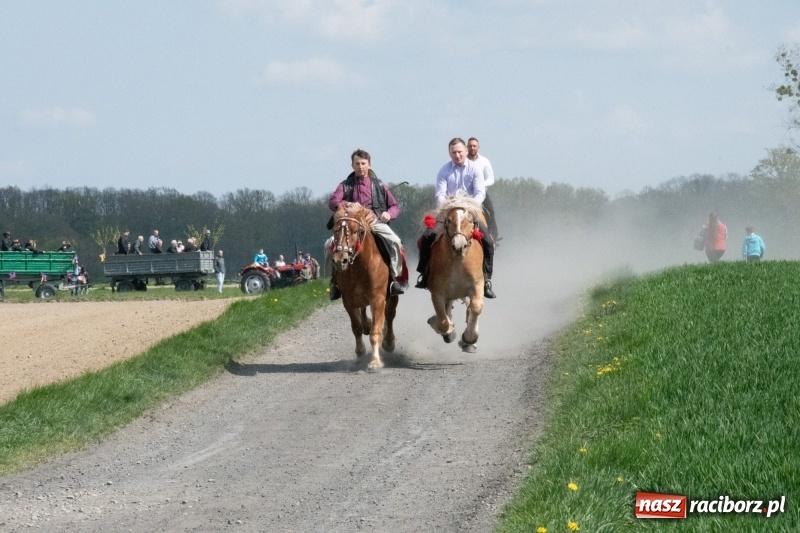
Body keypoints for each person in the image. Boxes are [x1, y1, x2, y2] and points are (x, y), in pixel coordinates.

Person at [416, 137, 497, 298]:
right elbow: (440, 194)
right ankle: (425, 275)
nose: (457, 155)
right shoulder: (444, 171)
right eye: (454, 152)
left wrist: (468, 205)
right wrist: (449, 205)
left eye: (460, 152)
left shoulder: (475, 169)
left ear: (466, 151)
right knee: (425, 238)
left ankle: (486, 280)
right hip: (449, 212)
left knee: (488, 241)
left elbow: (480, 192)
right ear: (449, 153)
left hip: (470, 212)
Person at [328, 148, 408, 300]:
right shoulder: (344, 185)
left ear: (369, 165)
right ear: (352, 166)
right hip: (350, 224)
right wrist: (349, 204)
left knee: (396, 242)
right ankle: (334, 283)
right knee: (328, 245)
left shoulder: (379, 185)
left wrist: (387, 214)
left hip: (373, 221)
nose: (360, 167)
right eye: (357, 163)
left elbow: (394, 206)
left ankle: (394, 279)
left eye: (363, 163)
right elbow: (333, 202)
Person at [466, 137, 499, 242]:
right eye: (470, 146)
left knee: (490, 212)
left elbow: (491, 179)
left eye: (474, 146)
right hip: (466, 195)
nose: (472, 148)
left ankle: (493, 237)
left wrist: (480, 185)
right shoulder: (463, 161)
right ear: (467, 147)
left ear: (478, 147)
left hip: (482, 194)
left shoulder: (484, 161)